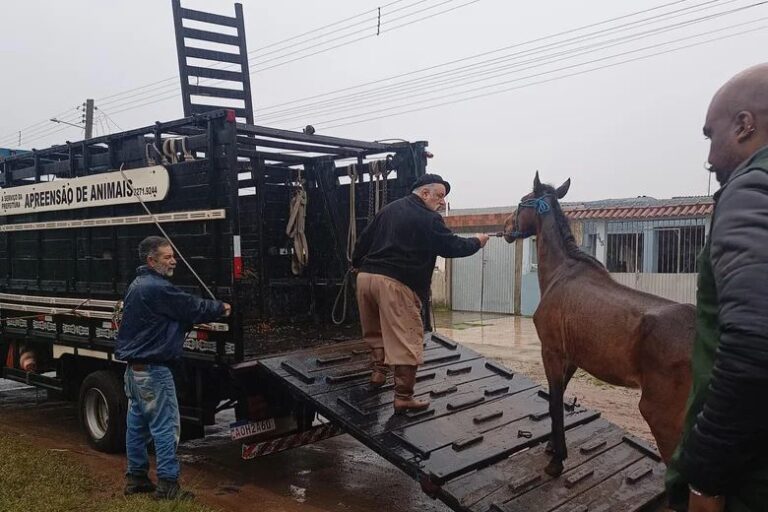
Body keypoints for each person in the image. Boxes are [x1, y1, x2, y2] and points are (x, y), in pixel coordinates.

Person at [666, 63, 768, 512]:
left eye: (711, 135)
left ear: (745, 125)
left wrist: (705, 477)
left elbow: (753, 346)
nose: (708, 158)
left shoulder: (751, 188)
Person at [352, 173, 489, 412]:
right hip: (396, 283)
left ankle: (377, 374)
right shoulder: (429, 218)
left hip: (366, 279)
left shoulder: (388, 210)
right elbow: (451, 246)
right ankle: (403, 397)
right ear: (425, 193)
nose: (442, 202)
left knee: (376, 332)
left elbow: (363, 240)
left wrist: (357, 264)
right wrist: (477, 241)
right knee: (407, 339)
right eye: (440, 196)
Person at [115, 236, 231, 500]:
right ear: (151, 260)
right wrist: (221, 307)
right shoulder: (156, 288)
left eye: (173, 256)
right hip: (155, 372)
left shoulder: (138, 285)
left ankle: (136, 479)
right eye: (167, 257)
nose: (174, 261)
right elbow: (190, 306)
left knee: (137, 427)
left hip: (135, 372)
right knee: (166, 428)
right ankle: (168, 486)